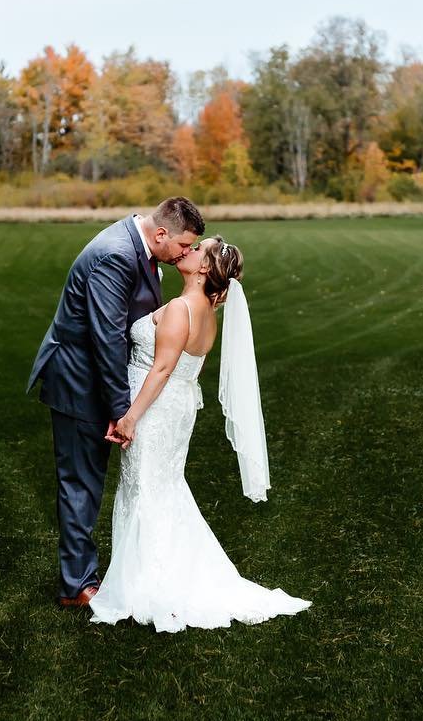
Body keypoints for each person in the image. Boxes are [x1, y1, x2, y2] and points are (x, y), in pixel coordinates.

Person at [89, 236, 312, 632]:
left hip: (155, 410)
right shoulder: (208, 312)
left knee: (145, 488)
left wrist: (130, 418)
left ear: (205, 268)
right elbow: (190, 371)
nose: (186, 252)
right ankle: (157, 572)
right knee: (163, 486)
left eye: (196, 250)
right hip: (177, 408)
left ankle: (149, 584)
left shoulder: (180, 308)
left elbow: (161, 370)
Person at [27, 197, 204, 607]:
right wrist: (121, 409)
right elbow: (105, 338)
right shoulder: (115, 255)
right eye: (182, 246)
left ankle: (90, 576)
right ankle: (77, 587)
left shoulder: (141, 247)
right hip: (78, 382)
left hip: (96, 380)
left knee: (87, 481)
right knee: (79, 483)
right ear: (161, 233)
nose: (185, 254)